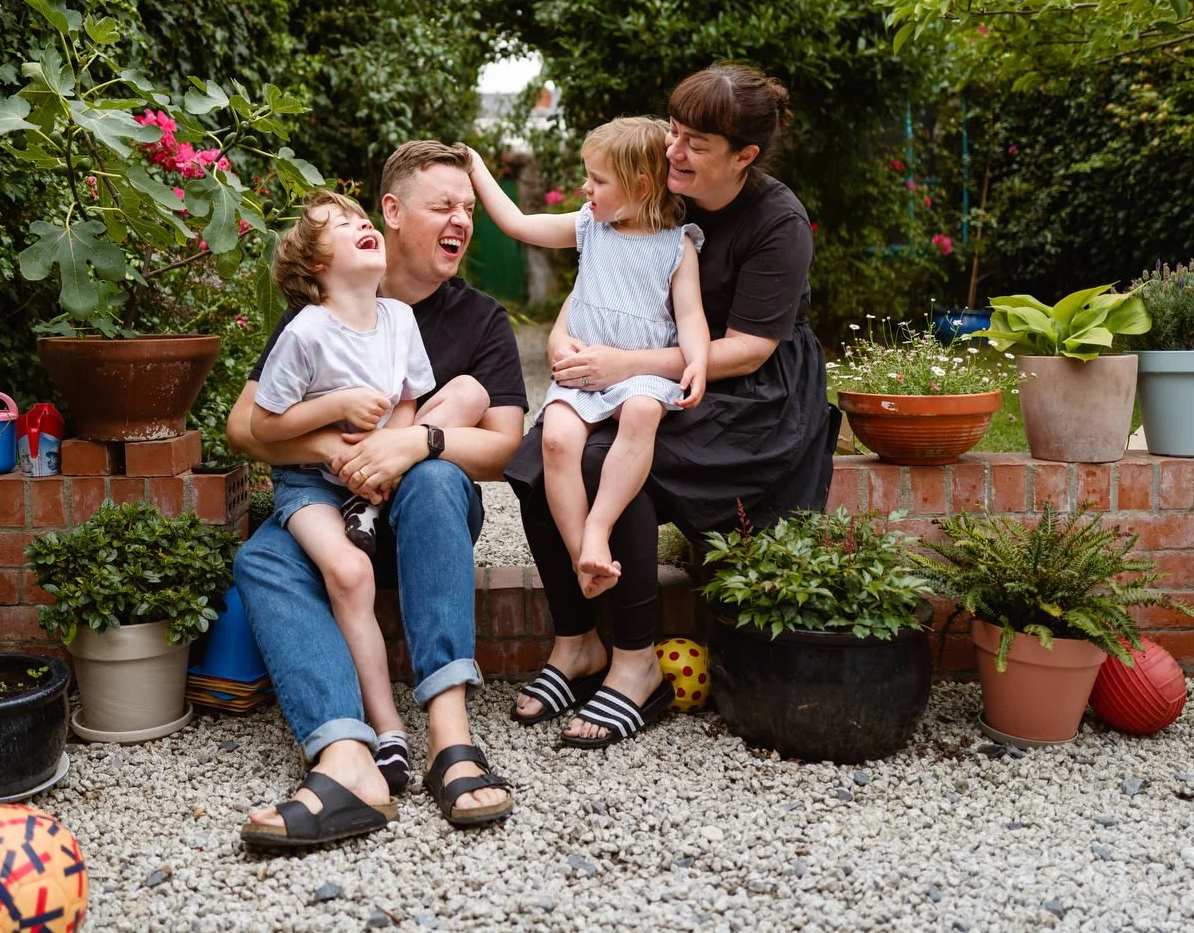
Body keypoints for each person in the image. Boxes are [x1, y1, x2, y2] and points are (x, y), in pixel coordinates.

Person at [507, 63, 838, 747]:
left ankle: (635, 668)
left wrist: (626, 366)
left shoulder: (778, 222)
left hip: (750, 395)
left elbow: (748, 349)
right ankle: (577, 646)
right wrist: (568, 334)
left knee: (609, 460)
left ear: (744, 156)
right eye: (675, 133)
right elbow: (607, 276)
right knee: (544, 452)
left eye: (697, 143)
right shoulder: (664, 190)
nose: (674, 151)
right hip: (650, 371)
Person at [230, 141, 527, 850]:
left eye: (468, 208)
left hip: (426, 515)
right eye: (443, 206)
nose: (463, 220)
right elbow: (246, 424)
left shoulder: (481, 320)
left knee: (433, 477)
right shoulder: (328, 304)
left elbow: (503, 445)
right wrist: (339, 450)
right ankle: (347, 759)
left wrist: (412, 444)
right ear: (391, 212)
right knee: (263, 561)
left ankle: (448, 738)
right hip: (332, 504)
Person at [468, 119, 709, 748]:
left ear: (634, 183)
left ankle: (597, 530)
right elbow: (519, 224)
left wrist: (700, 362)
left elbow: (691, 322)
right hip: (585, 376)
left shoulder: (676, 246)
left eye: (597, 179)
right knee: (552, 443)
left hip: (637, 378)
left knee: (640, 416)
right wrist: (475, 168)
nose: (585, 188)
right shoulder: (588, 227)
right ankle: (587, 559)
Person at [249, 188, 491, 793]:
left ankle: (444, 728)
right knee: (344, 575)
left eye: (359, 218)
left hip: (381, 486)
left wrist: (389, 457)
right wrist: (335, 414)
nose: (358, 225)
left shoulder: (400, 319)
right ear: (315, 267)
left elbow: (409, 398)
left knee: (432, 483)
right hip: (309, 486)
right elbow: (259, 424)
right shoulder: (305, 331)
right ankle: (380, 735)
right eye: (340, 224)